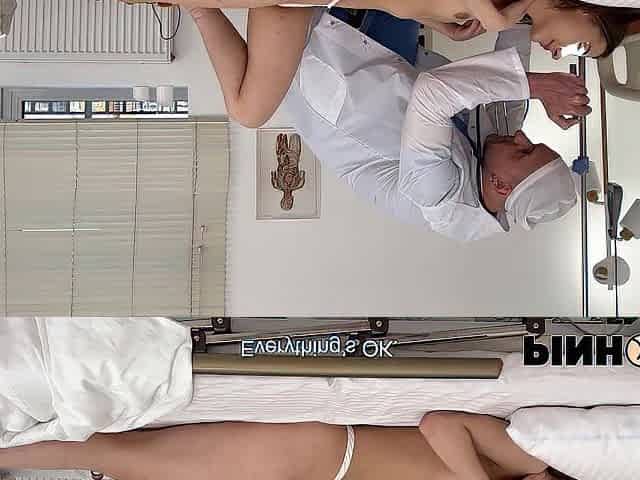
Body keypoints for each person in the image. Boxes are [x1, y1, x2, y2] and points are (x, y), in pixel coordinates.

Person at [190, 5, 583, 241]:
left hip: (328, 75)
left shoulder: (441, 198)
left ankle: (198, 7)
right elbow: (518, 31)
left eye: (524, 152)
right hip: (387, 53)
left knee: (249, 108)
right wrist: (543, 16)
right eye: (532, 143)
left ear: (500, 186)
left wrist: (536, 85)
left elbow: (432, 96)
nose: (520, 136)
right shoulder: (503, 142)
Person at [0, 412, 578, 480]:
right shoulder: (529, 457)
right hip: (318, 454)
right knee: (118, 456)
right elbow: (439, 426)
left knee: (127, 465)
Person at [150, 0, 640, 58]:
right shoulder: (500, 11)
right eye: (583, 45)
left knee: (250, 113)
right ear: (587, 11)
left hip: (327, 0)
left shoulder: (499, 11)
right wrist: (498, 20)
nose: (563, 52)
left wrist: (434, 23)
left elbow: (401, 4)